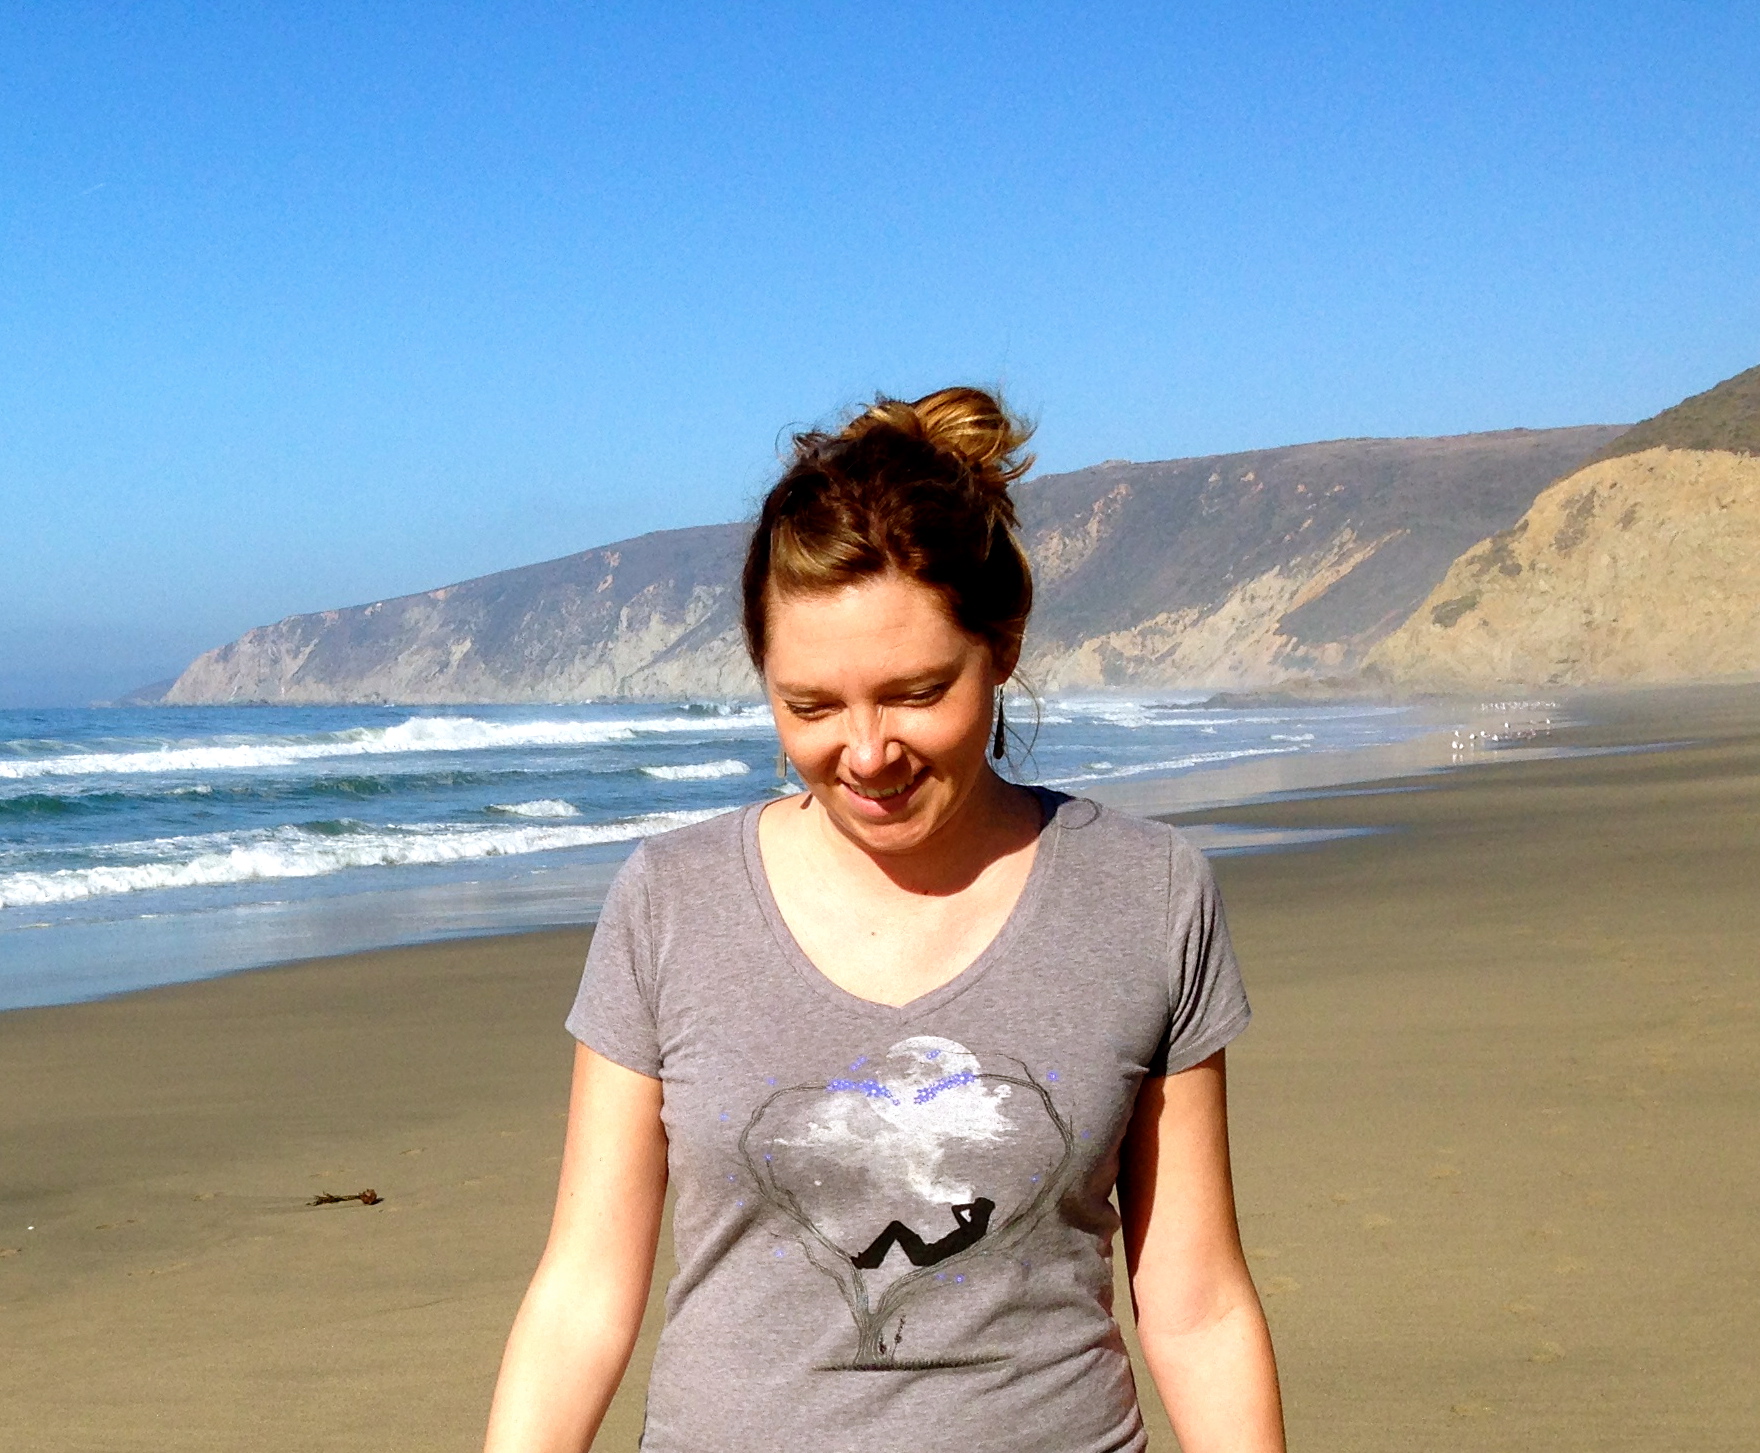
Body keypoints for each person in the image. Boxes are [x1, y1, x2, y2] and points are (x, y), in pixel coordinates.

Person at [482, 388, 1286, 1452]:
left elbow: (1195, 1305)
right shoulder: (670, 900)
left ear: (1002, 643)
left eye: (915, 693)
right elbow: (582, 1294)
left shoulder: (1146, 892)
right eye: (810, 705)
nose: (866, 754)